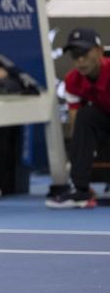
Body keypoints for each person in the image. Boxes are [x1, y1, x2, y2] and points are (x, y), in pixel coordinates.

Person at [46, 28, 109, 209]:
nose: (80, 60)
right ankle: (81, 190)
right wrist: (76, 157)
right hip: (104, 124)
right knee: (85, 116)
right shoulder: (73, 80)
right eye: (75, 55)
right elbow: (75, 123)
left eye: (85, 53)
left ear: (99, 51)